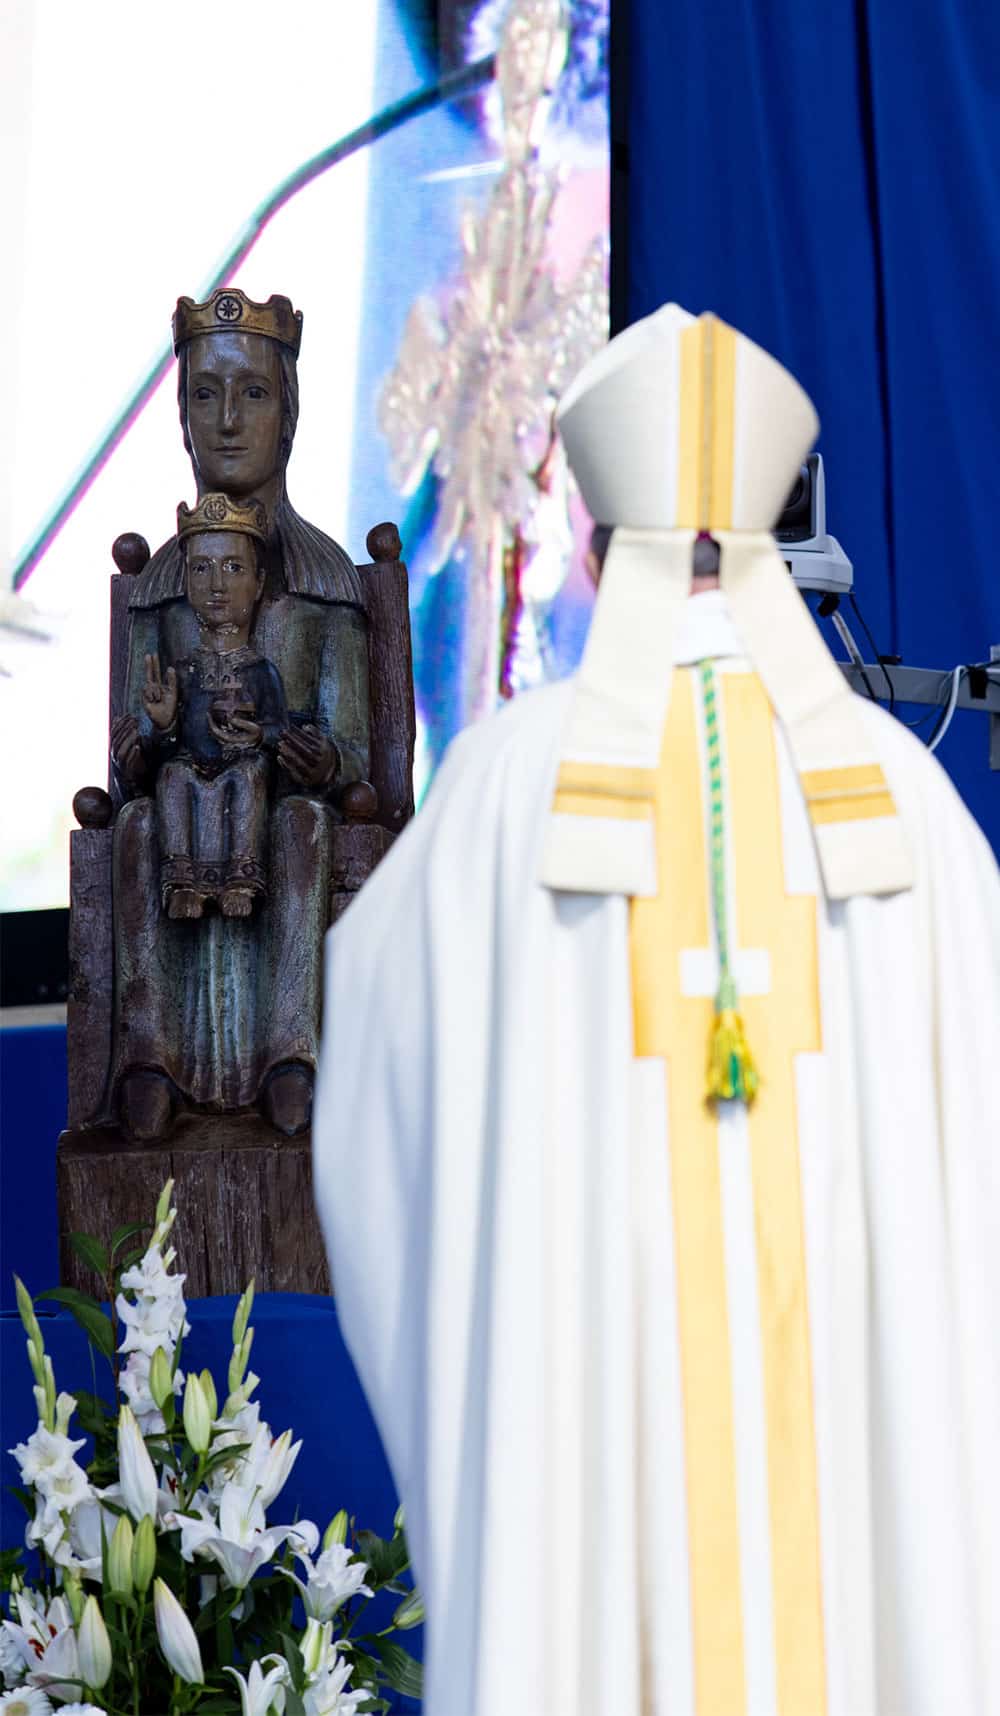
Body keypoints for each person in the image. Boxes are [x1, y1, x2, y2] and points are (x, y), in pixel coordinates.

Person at [312, 304, 1000, 1716]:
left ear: (586, 544)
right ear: (767, 538)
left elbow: (377, 1159)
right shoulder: (911, 813)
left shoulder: (500, 802)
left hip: (587, 1537)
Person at [109, 288, 369, 1141]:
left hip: (275, 811)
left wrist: (318, 761)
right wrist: (146, 740)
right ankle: (149, 1063)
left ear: (288, 416)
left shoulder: (328, 582)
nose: (227, 420)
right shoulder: (156, 594)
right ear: (181, 420)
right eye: (204, 395)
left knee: (297, 827)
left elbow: (359, 754)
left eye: (252, 393)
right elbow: (124, 766)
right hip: (185, 806)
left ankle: (291, 1059)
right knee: (141, 827)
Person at [141, 494, 285, 920]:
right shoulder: (182, 671)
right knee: (172, 776)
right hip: (192, 766)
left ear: (258, 583)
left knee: (250, 775)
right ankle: (182, 882)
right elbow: (160, 749)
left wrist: (260, 736)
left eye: (233, 568)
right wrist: (165, 725)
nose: (217, 585)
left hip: (242, 767)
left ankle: (242, 879)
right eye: (202, 568)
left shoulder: (260, 670)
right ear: (187, 580)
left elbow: (279, 726)